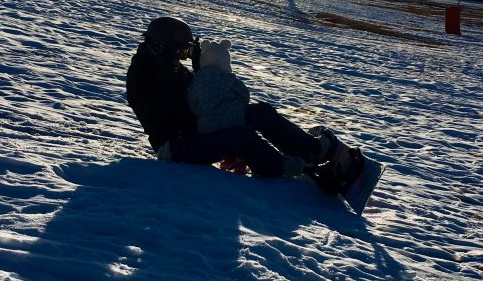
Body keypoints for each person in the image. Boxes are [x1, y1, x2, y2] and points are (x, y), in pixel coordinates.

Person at [126, 16, 366, 193]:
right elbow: (181, 111)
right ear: (162, 48)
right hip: (174, 146)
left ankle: (312, 150)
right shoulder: (143, 75)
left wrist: (204, 78)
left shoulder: (169, 68)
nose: (183, 58)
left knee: (257, 112)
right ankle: (284, 166)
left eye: (186, 52)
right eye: (181, 52)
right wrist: (223, 130)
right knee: (240, 136)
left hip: (192, 133)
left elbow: (197, 102)